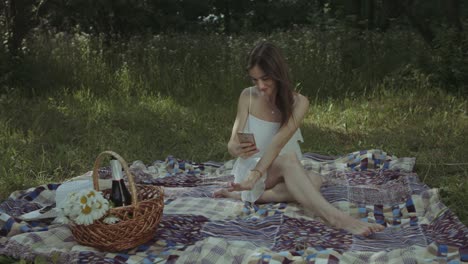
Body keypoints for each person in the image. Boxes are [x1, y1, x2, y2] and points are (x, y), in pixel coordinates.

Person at [213, 41, 385, 236]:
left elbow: (278, 143)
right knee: (294, 165)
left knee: (314, 180)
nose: (260, 86)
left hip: (274, 170)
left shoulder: (299, 102)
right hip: (252, 169)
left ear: (278, 74)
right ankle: (337, 218)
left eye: (265, 78)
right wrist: (236, 150)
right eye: (254, 80)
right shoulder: (247, 96)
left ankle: (251, 196)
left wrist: (256, 176)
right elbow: (232, 142)